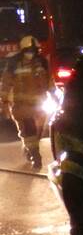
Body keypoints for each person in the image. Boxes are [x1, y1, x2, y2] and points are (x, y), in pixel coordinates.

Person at [0, 36, 54, 169]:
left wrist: (55, 95)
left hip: (40, 105)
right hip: (21, 106)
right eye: (28, 50)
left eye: (33, 50)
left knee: (38, 132)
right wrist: (4, 101)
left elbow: (49, 80)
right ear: (22, 51)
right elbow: (6, 83)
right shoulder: (14, 64)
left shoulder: (41, 63)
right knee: (29, 132)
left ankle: (29, 149)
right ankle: (36, 157)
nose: (31, 53)